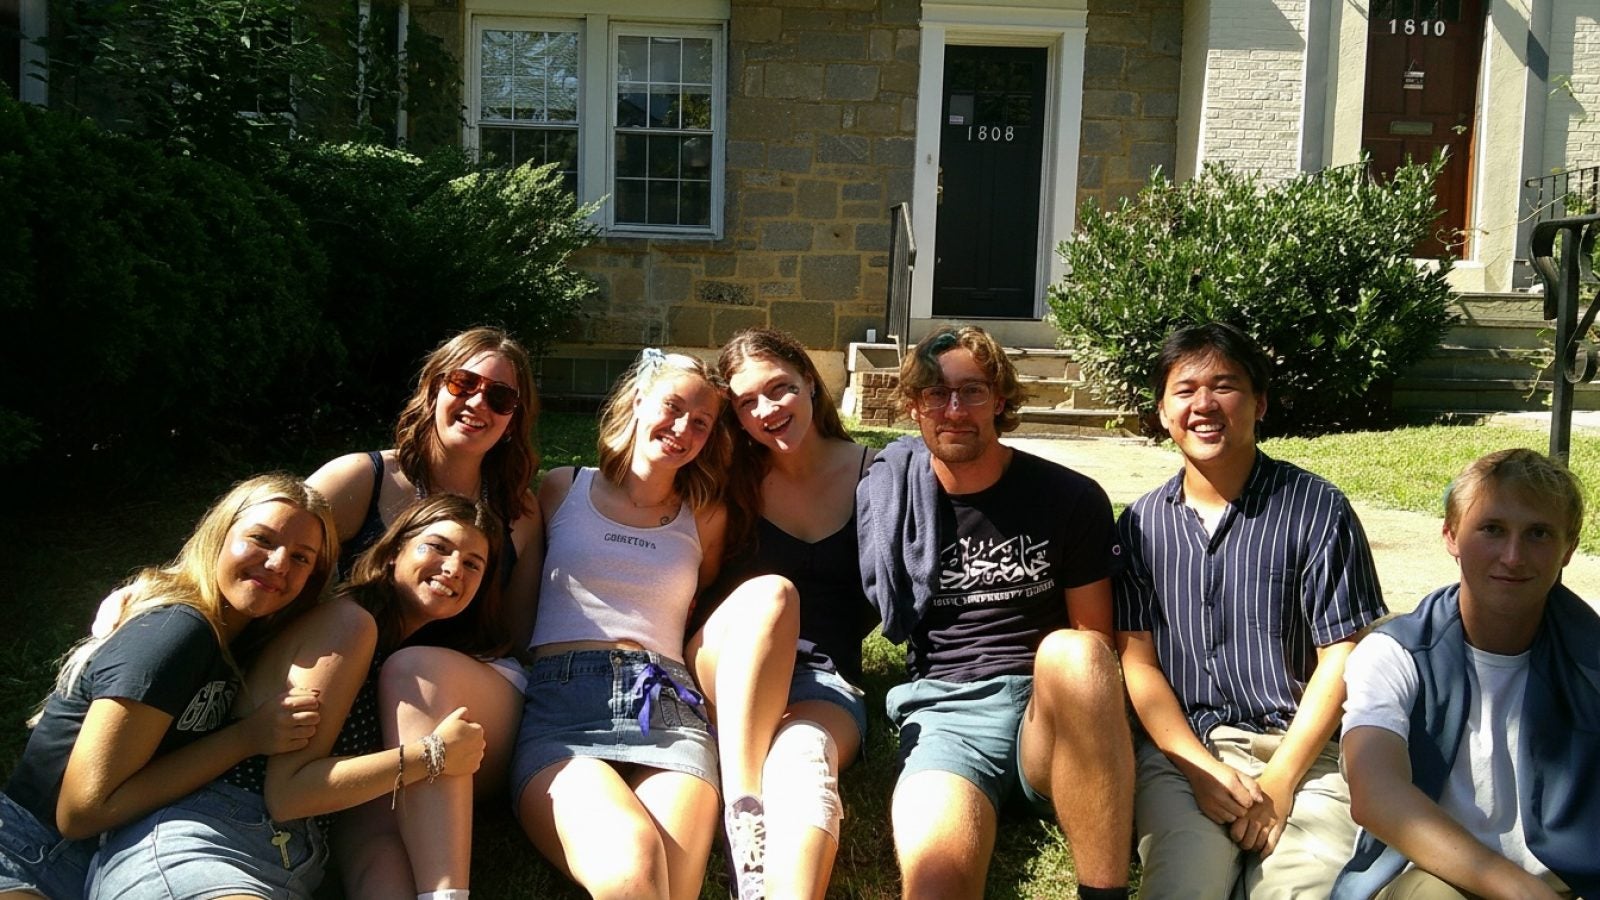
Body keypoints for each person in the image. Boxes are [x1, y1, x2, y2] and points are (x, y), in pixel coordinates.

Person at [88, 495, 501, 900]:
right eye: (438, 547)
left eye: (472, 564)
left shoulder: (390, 654)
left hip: (282, 864)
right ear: (394, 552)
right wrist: (433, 755)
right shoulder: (348, 624)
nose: (453, 568)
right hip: (206, 839)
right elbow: (290, 795)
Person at [857, 325, 1134, 900]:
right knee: (936, 883)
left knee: (1076, 650)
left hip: (1049, 712)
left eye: (973, 391)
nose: (954, 410)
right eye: (936, 393)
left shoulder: (1068, 497)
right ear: (914, 406)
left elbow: (1095, 636)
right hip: (949, 716)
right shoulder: (895, 502)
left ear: (1000, 399)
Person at [1113, 322, 1387, 898]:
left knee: (1301, 888)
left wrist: (1281, 779)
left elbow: (1342, 653)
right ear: (1162, 411)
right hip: (1187, 754)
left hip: (1306, 754)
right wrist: (1197, 768)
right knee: (1182, 887)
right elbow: (1138, 663)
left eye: (1225, 386)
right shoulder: (1140, 525)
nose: (1204, 405)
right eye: (1184, 391)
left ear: (1259, 403)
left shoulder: (1317, 508)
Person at [513, 348, 797, 900]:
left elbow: (693, 604)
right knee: (634, 866)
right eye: (673, 407)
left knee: (671, 885)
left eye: (701, 422)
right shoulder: (561, 488)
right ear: (640, 400)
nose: (683, 429)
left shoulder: (705, 517)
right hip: (565, 708)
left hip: (666, 706)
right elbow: (523, 602)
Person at [0, 474, 337, 900]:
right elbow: (81, 811)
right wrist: (247, 738)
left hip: (101, 863)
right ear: (219, 535)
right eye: (261, 539)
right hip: (26, 849)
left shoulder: (237, 640)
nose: (278, 564)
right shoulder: (178, 630)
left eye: (302, 557)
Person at [305, 326, 543, 897]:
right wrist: (154, 591)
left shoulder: (518, 512)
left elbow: (517, 636)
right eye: (463, 383)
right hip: (365, 717)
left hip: (471, 702)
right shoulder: (362, 479)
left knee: (414, 670)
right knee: (374, 851)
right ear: (433, 387)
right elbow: (268, 539)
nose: (478, 403)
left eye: (500, 397)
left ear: (514, 419)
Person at [1335, 449, 1598, 900]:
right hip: (1440, 873)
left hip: (1569, 878)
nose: (1513, 557)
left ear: (1569, 548)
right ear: (1451, 535)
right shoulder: (1395, 654)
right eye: (1492, 529)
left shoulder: (1589, 654)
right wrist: (1524, 894)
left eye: (1538, 534)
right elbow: (1376, 792)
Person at [707, 327, 881, 899]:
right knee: (773, 595)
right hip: (726, 665)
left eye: (779, 388)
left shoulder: (878, 476)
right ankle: (743, 812)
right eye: (746, 402)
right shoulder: (727, 483)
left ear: (810, 380)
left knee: (805, 755)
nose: (767, 410)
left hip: (821, 677)